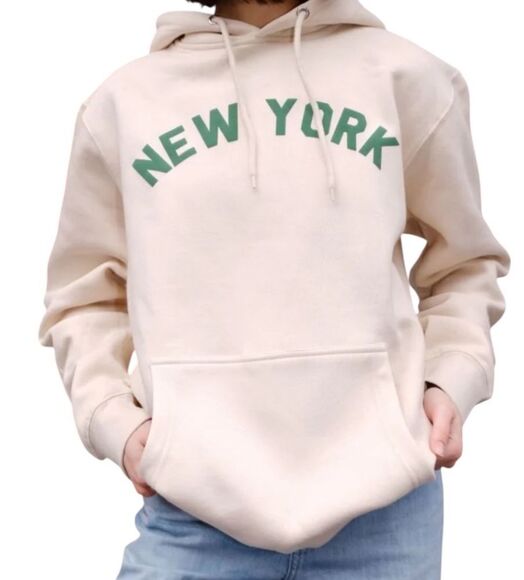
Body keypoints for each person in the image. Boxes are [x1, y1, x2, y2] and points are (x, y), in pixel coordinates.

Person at [38, 0, 511, 577]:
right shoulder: (123, 104)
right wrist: (116, 422)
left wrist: (451, 378)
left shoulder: (408, 79)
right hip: (193, 510)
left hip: (386, 510)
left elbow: (464, 261)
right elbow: (84, 296)